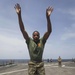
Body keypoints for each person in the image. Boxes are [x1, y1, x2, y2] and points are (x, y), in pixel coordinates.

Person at [14, 3, 53, 75]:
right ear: (32, 36)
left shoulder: (42, 41)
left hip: (40, 64)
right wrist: (19, 16)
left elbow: (49, 31)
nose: (36, 36)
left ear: (39, 36)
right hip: (32, 64)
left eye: (37, 35)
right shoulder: (29, 41)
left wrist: (48, 18)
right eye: (34, 35)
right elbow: (22, 30)